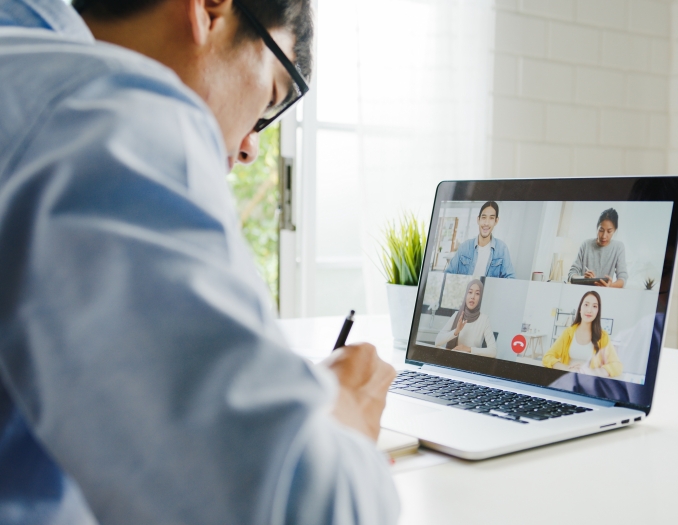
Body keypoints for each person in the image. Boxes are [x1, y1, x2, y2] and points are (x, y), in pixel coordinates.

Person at [0, 1, 399, 524]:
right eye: (271, 101)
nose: (253, 147)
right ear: (210, 9)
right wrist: (339, 407)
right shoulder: (102, 115)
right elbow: (308, 508)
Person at [542, 291, 623, 378]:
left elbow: (617, 365)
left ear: (597, 312)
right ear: (580, 309)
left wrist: (594, 372)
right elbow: (547, 357)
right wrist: (567, 368)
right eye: (586, 304)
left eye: (594, 306)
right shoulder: (568, 333)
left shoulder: (602, 336)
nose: (589, 310)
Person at [444, 201, 515, 279]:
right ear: (478, 219)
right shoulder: (464, 246)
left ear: (496, 221)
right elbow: (448, 274)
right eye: (484, 217)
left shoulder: (502, 249)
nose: (486, 223)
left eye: (491, 218)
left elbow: (510, 279)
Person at [434, 280, 497, 357]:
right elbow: (437, 341)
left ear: (480, 298)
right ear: (466, 295)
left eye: (477, 293)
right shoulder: (457, 315)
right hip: (453, 359)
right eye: (470, 292)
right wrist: (456, 331)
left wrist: (468, 349)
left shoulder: (484, 319)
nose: (472, 297)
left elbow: (493, 351)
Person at [568, 208, 628, 288]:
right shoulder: (586, 245)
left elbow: (622, 278)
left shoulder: (618, 247)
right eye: (601, 230)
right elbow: (572, 274)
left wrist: (611, 285)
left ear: (615, 230)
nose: (604, 236)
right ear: (597, 227)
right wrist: (583, 278)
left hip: (605, 293)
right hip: (584, 292)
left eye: (609, 231)